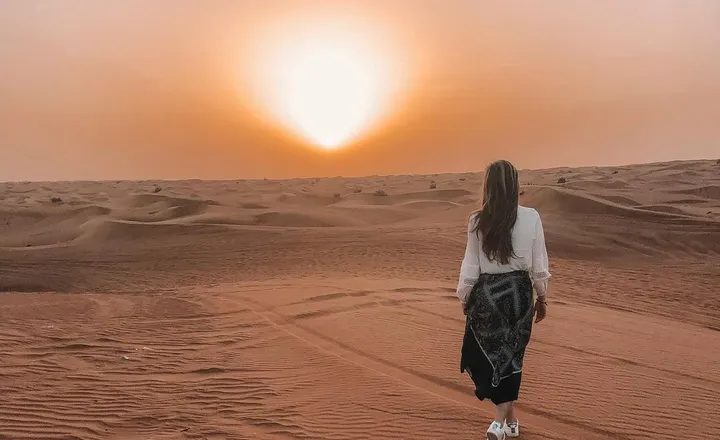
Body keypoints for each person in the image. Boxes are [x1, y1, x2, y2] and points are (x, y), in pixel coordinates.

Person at [456, 160, 550, 440]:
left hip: (487, 296)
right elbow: (538, 264)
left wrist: (465, 297)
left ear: (488, 185)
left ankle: (510, 422)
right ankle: (498, 422)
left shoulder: (477, 220)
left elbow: (470, 265)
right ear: (516, 185)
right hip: (519, 296)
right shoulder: (531, 217)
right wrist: (542, 296)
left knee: (497, 359)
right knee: (512, 357)